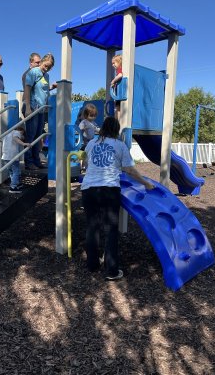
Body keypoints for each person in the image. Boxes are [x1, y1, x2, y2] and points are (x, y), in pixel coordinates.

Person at [81, 116, 155, 280]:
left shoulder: (91, 144)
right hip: (109, 189)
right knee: (111, 229)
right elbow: (129, 170)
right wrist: (146, 183)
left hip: (88, 189)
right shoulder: (120, 145)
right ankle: (112, 271)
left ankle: (92, 265)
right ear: (116, 130)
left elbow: (86, 164)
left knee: (92, 227)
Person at [23, 53, 55, 170]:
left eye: (50, 67)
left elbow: (44, 90)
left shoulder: (46, 76)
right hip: (32, 107)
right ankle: (28, 161)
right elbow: (27, 89)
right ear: (41, 62)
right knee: (31, 135)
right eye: (46, 65)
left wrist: (52, 87)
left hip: (41, 109)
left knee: (38, 136)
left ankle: (36, 161)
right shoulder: (34, 72)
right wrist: (27, 107)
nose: (47, 68)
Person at [1, 125, 31, 193]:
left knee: (11, 171)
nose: (22, 136)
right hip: (12, 156)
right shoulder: (16, 132)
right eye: (22, 134)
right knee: (16, 171)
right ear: (20, 130)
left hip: (5, 157)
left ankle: (17, 183)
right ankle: (13, 187)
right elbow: (15, 138)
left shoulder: (7, 133)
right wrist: (24, 143)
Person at [110, 54, 123, 119]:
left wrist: (113, 81)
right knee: (118, 108)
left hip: (120, 93)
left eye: (113, 63)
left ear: (119, 61)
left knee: (118, 108)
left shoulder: (120, 69)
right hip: (119, 93)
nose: (113, 65)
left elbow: (120, 75)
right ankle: (117, 120)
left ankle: (117, 121)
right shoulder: (118, 70)